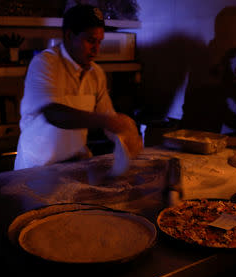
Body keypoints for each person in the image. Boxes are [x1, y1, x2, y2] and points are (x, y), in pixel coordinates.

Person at [14, 4, 142, 170]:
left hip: (74, 165)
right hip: (36, 169)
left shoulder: (96, 73)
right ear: (69, 35)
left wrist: (126, 136)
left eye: (99, 42)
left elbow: (107, 117)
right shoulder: (45, 63)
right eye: (90, 40)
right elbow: (54, 114)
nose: (96, 49)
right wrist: (109, 121)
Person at [180, 6, 236, 134]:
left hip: (202, 137)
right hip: (195, 139)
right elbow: (218, 108)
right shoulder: (211, 61)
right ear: (226, 34)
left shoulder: (220, 60)